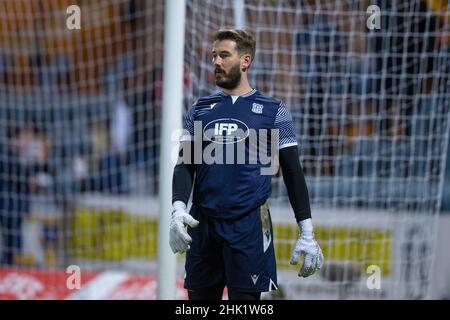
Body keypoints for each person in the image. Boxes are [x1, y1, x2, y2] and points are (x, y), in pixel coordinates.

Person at [169, 29, 323, 300]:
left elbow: (292, 172)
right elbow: (185, 164)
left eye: (224, 55)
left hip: (249, 225)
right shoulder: (199, 109)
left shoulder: (274, 111)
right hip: (203, 224)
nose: (216, 61)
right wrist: (178, 208)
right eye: (214, 55)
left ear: (245, 61)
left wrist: (307, 231)